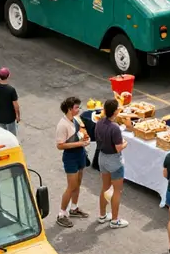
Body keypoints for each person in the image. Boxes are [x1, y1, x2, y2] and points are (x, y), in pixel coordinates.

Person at [55, 96, 90, 228]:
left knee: (78, 184)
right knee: (71, 186)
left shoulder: (76, 119)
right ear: (69, 109)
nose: (79, 109)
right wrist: (78, 143)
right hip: (71, 157)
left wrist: (84, 139)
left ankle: (74, 208)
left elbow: (81, 132)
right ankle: (61, 214)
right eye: (76, 107)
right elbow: (60, 145)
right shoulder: (62, 125)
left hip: (80, 154)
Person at [95, 99, 129, 229]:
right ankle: (115, 220)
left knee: (105, 187)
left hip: (102, 157)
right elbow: (118, 148)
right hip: (114, 160)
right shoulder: (114, 128)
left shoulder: (99, 122)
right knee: (117, 191)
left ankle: (102, 215)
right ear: (115, 111)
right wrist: (126, 143)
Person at [0, 67, 20, 135]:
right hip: (9, 118)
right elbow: (16, 106)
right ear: (8, 76)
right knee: (12, 135)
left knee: (2, 134)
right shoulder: (11, 90)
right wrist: (18, 116)